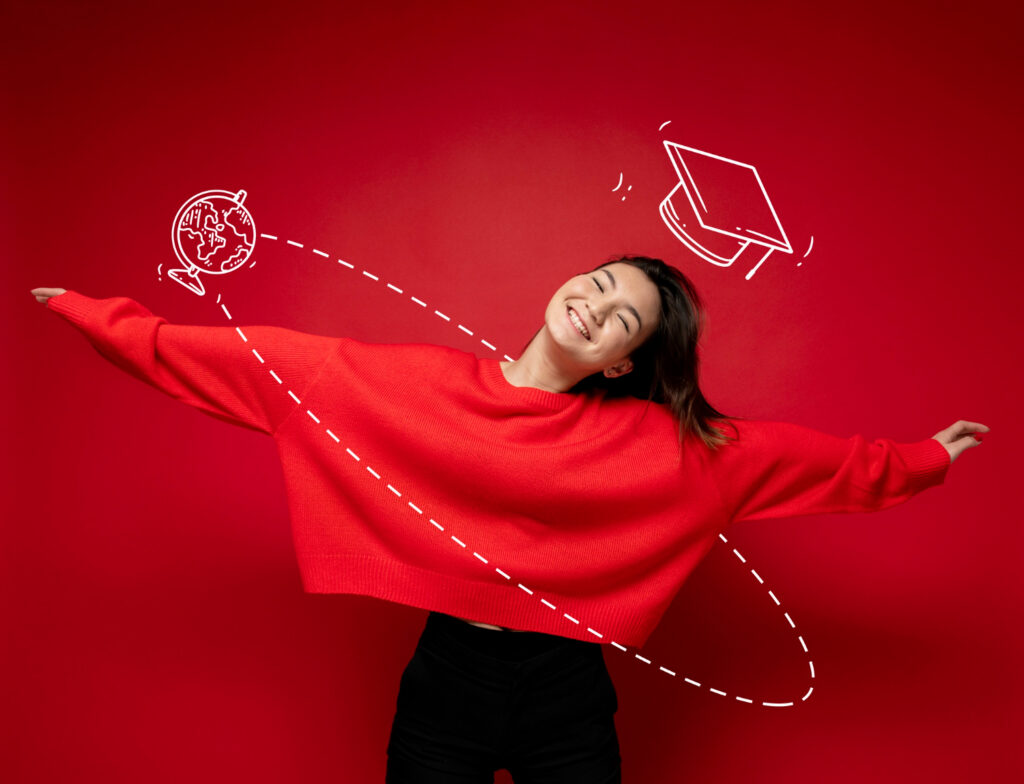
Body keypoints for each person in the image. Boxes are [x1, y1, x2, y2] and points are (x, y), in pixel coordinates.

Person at [30, 255, 987, 783]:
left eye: (625, 321)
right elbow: (244, 361)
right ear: (566, 284)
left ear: (622, 363)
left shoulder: (666, 449)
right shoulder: (407, 385)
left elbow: (802, 458)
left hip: (568, 699)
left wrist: (927, 457)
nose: (600, 308)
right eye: (602, 285)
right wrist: (93, 314)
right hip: (446, 683)